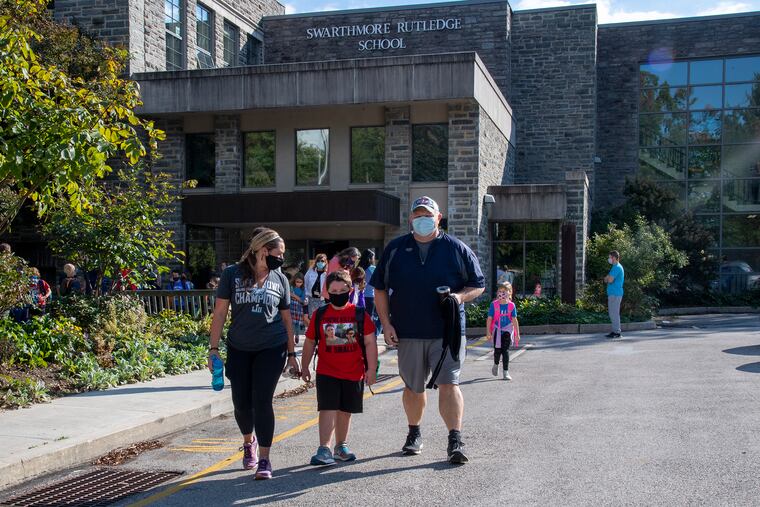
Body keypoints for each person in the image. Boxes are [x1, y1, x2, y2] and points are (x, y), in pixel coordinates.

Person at [371, 196, 485, 465]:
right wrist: (386, 324)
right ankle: (414, 433)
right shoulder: (396, 249)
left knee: (449, 383)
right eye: (417, 214)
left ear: (438, 217)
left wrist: (458, 297)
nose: (422, 219)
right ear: (410, 218)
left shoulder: (456, 248)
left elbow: (477, 284)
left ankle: (455, 439)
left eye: (428, 214)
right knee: (413, 387)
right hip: (408, 330)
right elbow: (379, 288)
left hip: (447, 332)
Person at [207, 227, 299, 480]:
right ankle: (249, 442)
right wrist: (213, 350)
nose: (280, 258)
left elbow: (287, 319)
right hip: (239, 347)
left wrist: (292, 353)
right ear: (262, 250)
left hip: (272, 347)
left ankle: (265, 460)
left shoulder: (280, 279)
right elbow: (220, 314)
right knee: (241, 403)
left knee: (262, 401)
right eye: (277, 253)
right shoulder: (232, 275)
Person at [301, 270, 378, 466]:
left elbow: (370, 343)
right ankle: (324, 448)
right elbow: (310, 342)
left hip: (353, 372)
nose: (337, 294)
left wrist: (371, 370)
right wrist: (305, 366)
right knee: (327, 407)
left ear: (350, 290)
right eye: (333, 290)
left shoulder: (360, 314)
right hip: (327, 371)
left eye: (342, 290)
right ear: (327, 292)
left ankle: (341, 446)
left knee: (345, 410)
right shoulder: (320, 314)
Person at [486, 282, 520, 381]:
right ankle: (496, 364)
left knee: (505, 351)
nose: (501, 293)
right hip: (497, 329)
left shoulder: (511, 306)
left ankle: (505, 372)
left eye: (504, 292)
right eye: (500, 291)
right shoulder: (494, 305)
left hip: (507, 330)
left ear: (509, 293)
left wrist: (517, 333)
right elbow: (489, 319)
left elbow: (514, 320)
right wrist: (488, 332)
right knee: (497, 351)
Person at [605, 250, 625, 339]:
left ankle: (617, 332)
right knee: (612, 313)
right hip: (613, 293)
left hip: (615, 294)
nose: (609, 259)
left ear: (614, 258)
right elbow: (606, 278)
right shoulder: (614, 267)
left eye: (610, 257)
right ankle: (614, 331)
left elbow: (609, 280)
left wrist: (608, 278)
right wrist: (607, 278)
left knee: (614, 313)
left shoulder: (617, 267)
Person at [359, 249, 380, 333]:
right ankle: (372, 334)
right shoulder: (373, 268)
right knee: (371, 318)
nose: (374, 259)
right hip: (370, 297)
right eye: (373, 257)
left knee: (361, 318)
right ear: (370, 258)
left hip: (359, 296)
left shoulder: (359, 268)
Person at [289, 272, 309, 345]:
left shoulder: (303, 289)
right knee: (290, 324)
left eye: (300, 282)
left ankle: (297, 335)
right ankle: (291, 339)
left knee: (297, 324)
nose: (298, 283)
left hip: (298, 308)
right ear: (294, 280)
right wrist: (298, 298)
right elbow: (288, 295)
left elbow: (302, 300)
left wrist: (294, 296)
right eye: (297, 281)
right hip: (291, 307)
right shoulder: (291, 287)